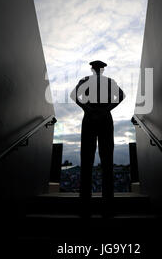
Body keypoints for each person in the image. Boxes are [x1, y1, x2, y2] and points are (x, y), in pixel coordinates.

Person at [70, 60, 125, 217]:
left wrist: (88, 109)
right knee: (105, 158)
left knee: (89, 158)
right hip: (103, 117)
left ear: (93, 69)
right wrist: (105, 109)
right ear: (102, 70)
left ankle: (86, 201)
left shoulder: (86, 80)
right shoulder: (109, 81)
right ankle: (107, 201)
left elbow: (74, 95)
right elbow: (121, 96)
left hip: (91, 116)